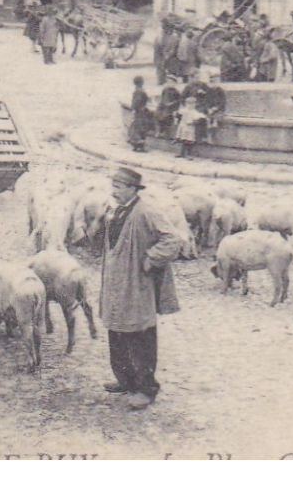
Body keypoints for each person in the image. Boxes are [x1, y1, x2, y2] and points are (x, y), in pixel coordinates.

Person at [97, 166, 184, 411]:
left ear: (133, 189)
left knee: (139, 334)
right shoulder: (116, 211)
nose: (113, 191)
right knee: (116, 331)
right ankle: (125, 380)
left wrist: (151, 258)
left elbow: (172, 239)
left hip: (137, 284)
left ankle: (146, 388)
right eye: (113, 186)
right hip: (116, 283)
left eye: (118, 187)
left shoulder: (147, 211)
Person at [126, 76, 153, 152]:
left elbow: (136, 102)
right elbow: (140, 101)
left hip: (139, 112)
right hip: (142, 112)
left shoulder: (137, 91)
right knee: (141, 129)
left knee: (137, 129)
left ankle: (136, 146)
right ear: (142, 83)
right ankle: (140, 147)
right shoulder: (141, 91)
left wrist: (133, 108)